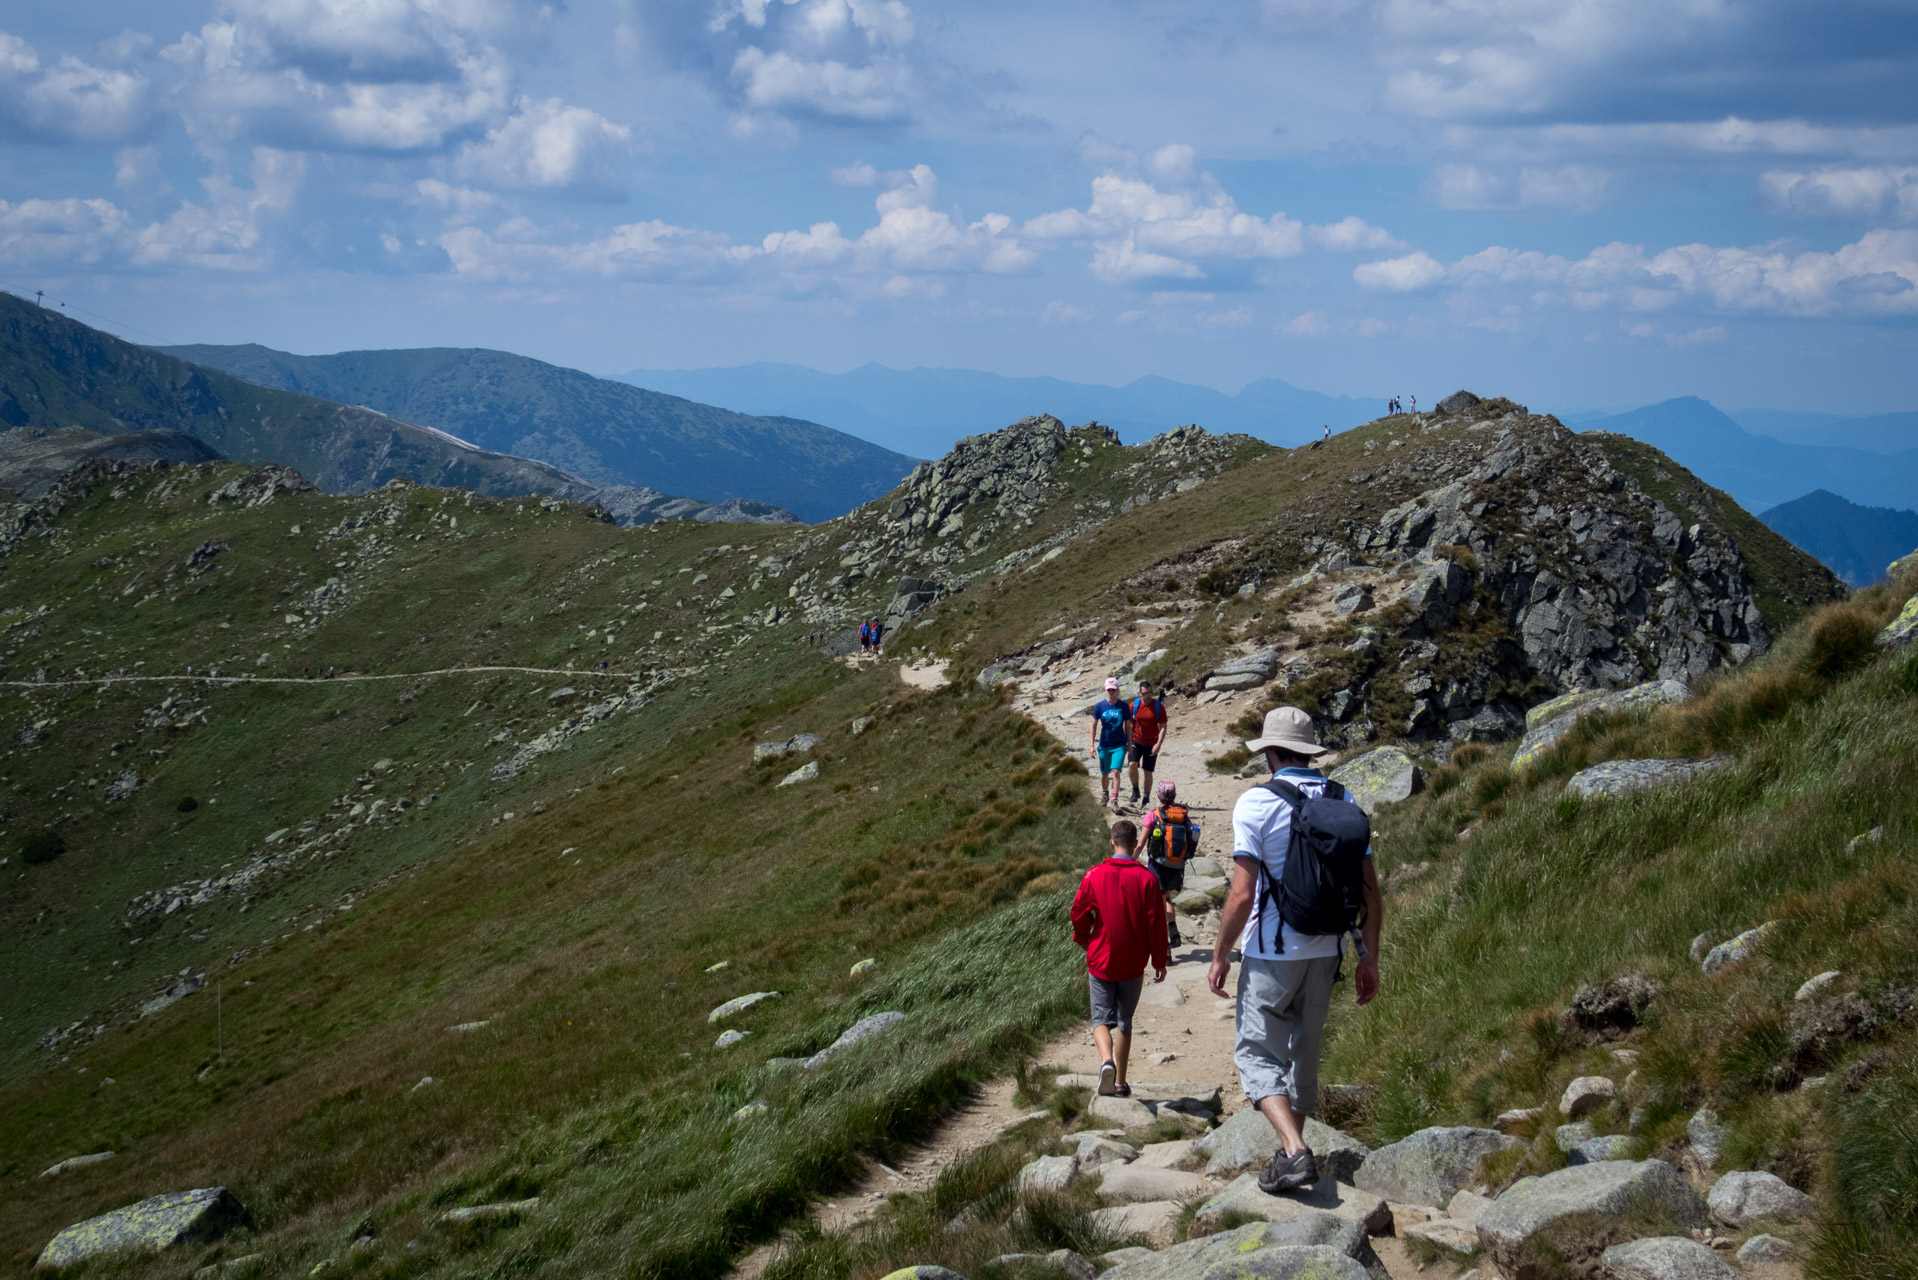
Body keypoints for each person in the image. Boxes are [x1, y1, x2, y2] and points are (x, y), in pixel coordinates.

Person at [1208, 706, 1382, 1195]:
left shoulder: (1256, 803)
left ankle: (1294, 1150)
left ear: (1270, 753)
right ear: (1308, 752)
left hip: (1271, 952)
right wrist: (1368, 955)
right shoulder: (1343, 798)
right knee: (1305, 1054)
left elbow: (1242, 895)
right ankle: (1292, 1153)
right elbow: (1370, 892)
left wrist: (1221, 953)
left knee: (1257, 1052)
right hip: (1328, 950)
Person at [1070, 819, 1168, 1097]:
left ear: (1112, 843)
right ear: (1137, 844)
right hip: (1134, 962)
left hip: (1101, 958)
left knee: (1100, 1019)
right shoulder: (1148, 879)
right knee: (1125, 1021)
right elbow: (1156, 924)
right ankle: (1120, 1083)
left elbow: (1077, 912)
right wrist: (1159, 960)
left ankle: (1106, 1061)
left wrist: (1084, 938)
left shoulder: (1094, 874)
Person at [1139, 780, 1199, 948]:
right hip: (1177, 866)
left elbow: (1140, 844)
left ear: (1158, 795)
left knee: (1157, 904)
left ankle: (1164, 949)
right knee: (1167, 898)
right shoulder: (1183, 815)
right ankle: (1174, 933)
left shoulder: (1154, 815)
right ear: (1174, 796)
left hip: (1158, 866)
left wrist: (1130, 859)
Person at [1088, 678, 1132, 811]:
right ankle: (1105, 793)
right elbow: (1094, 725)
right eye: (1109, 690)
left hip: (1119, 745)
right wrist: (1091, 745)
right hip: (1105, 745)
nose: (1111, 692)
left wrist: (1129, 744)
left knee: (1116, 772)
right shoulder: (1100, 706)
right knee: (1104, 773)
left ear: (1117, 689)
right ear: (1105, 690)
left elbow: (1128, 727)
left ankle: (1115, 800)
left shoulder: (1123, 706)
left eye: (1113, 689)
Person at [1126, 678, 1169, 805]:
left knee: (1148, 771)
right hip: (1136, 740)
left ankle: (1146, 795)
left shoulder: (1158, 707)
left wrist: (1159, 744)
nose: (1147, 696)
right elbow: (1127, 723)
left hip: (1152, 743)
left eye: (1149, 692)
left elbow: (1163, 726)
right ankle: (1135, 790)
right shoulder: (1134, 706)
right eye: (1144, 693)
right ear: (1139, 694)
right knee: (1132, 765)